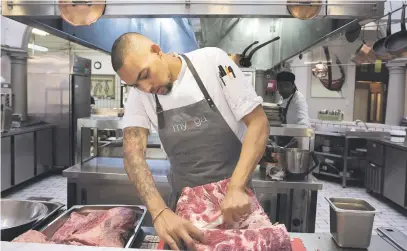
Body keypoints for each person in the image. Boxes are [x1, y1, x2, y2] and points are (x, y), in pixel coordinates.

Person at [110, 32, 269, 250]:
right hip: (187, 210)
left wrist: (237, 186)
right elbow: (132, 153)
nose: (145, 87)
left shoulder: (212, 61)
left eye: (145, 75)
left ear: (157, 51)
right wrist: (159, 212)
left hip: (235, 203)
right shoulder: (141, 95)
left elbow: (258, 123)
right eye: (135, 84)